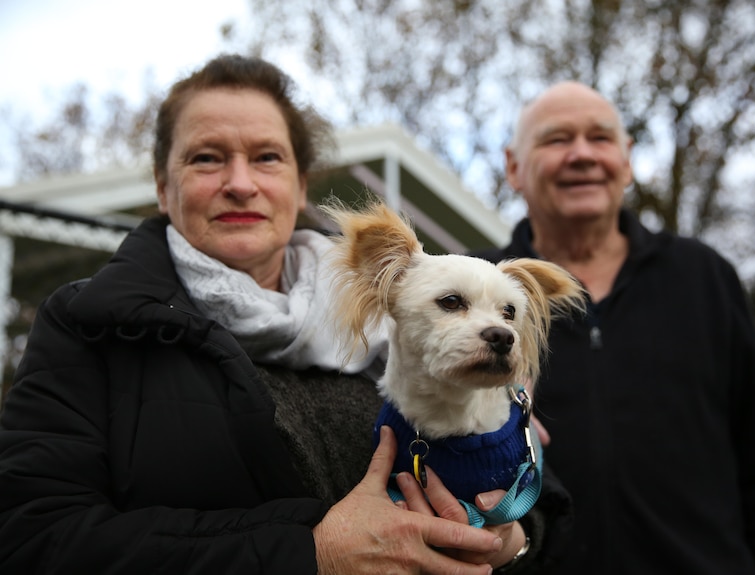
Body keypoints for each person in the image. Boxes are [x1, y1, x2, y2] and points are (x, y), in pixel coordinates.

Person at [0, 54, 562, 574]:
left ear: (298, 186)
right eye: (206, 158)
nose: (241, 184)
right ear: (163, 187)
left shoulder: (397, 306)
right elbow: (32, 537)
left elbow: (542, 508)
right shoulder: (91, 323)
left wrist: (510, 536)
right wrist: (310, 552)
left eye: (267, 158)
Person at [470, 81, 755, 574]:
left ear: (627, 160)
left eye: (600, 138)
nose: (581, 155)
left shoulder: (704, 278)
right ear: (513, 167)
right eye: (556, 140)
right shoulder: (471, 295)